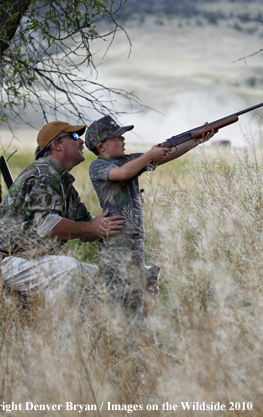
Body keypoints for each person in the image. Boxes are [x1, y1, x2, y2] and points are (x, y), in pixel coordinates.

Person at [85, 115, 215, 326]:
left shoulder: (129, 160)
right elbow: (123, 173)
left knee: (136, 303)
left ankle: (135, 342)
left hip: (135, 244)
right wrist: (149, 155)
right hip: (116, 247)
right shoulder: (98, 166)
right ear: (101, 147)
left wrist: (196, 140)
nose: (123, 140)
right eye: (117, 137)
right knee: (117, 300)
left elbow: (166, 155)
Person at [0, 120, 124, 308]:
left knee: (113, 279)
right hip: (4, 262)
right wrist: (92, 227)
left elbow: (91, 230)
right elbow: (48, 226)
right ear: (55, 145)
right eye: (73, 137)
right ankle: (58, 336)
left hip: (29, 262)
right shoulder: (45, 172)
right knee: (66, 269)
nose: (81, 141)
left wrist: (123, 204)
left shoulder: (63, 183)